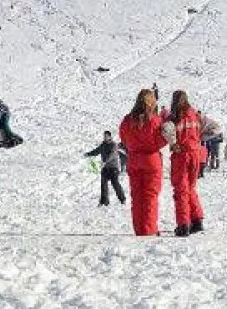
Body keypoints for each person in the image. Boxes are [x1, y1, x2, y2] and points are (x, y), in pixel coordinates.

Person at [119, 89, 168, 236]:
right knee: (150, 196)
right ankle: (149, 229)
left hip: (133, 160)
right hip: (151, 160)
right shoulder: (155, 120)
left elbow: (123, 139)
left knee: (137, 197)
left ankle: (139, 229)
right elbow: (162, 140)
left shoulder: (127, 120)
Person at [164, 90, 206, 236]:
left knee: (181, 189)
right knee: (191, 187)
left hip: (182, 155)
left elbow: (165, 130)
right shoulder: (194, 114)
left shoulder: (174, 117)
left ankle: (183, 225)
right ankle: (197, 221)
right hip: (196, 153)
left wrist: (173, 143)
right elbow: (210, 128)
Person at [85, 131, 126, 206]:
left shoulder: (114, 145)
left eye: (106, 136)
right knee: (103, 184)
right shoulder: (103, 145)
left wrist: (105, 161)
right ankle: (104, 201)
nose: (105, 137)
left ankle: (122, 199)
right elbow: (96, 151)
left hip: (113, 168)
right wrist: (88, 154)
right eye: (104, 136)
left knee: (115, 184)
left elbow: (112, 155)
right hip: (105, 168)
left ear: (110, 137)